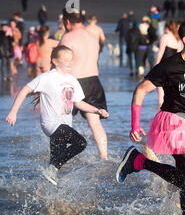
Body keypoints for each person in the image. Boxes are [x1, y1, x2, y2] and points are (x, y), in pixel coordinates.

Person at [115, 19, 185, 215]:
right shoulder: (170, 66)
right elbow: (140, 90)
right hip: (172, 120)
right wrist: (135, 124)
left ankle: (138, 161)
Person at [5, 46, 109, 185]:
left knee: (54, 167)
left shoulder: (73, 80)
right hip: (51, 124)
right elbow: (25, 90)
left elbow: (78, 103)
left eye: (71, 60)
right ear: (54, 61)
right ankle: (52, 169)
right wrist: (13, 112)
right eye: (65, 60)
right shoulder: (47, 78)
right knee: (80, 143)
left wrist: (96, 110)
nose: (69, 62)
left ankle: (46, 194)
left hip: (64, 124)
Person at [60, 8, 109, 160]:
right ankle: (104, 157)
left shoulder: (68, 37)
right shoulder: (93, 36)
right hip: (94, 81)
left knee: (63, 122)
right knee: (95, 123)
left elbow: (59, 62)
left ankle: (61, 157)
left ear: (67, 22)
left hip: (73, 83)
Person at [155, 19, 183, 109]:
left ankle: (160, 107)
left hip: (164, 65)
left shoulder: (165, 37)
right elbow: (179, 54)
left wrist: (156, 65)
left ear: (167, 28)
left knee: (160, 87)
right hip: (174, 67)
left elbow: (160, 52)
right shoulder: (178, 39)